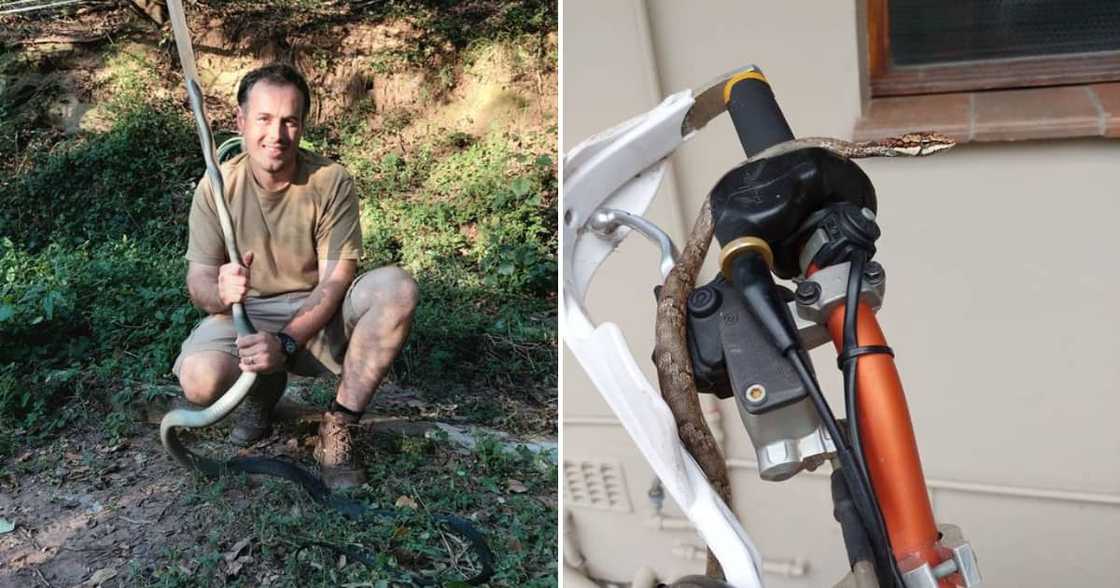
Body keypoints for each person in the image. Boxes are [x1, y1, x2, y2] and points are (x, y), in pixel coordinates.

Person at [172, 63, 419, 490]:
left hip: (316, 315)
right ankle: (261, 394)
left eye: (289, 121)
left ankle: (340, 427)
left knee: (397, 289)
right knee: (198, 381)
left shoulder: (331, 180)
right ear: (241, 121)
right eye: (264, 119)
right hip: (245, 317)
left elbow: (335, 281)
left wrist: (285, 342)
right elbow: (199, 283)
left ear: (303, 124)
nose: (277, 134)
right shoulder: (216, 187)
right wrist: (221, 291)